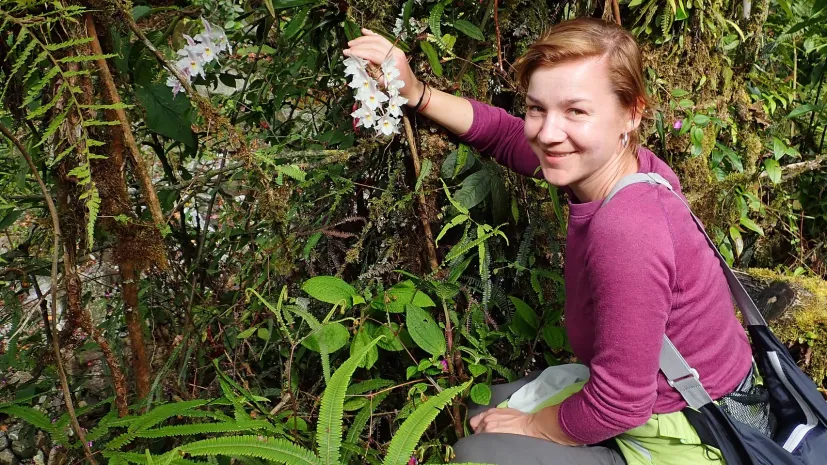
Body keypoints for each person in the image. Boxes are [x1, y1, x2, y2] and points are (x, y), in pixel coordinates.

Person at [344, 18, 771, 465]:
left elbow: (621, 403)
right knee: (485, 407)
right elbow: (506, 135)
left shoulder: (628, 228)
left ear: (631, 113)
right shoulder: (625, 165)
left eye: (576, 112)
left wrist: (531, 426)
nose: (548, 133)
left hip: (693, 433)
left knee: (478, 453)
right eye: (537, 108)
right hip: (676, 398)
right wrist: (415, 92)